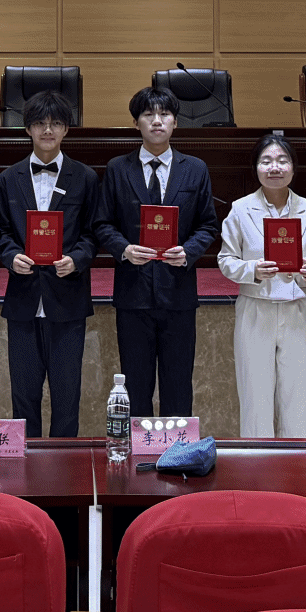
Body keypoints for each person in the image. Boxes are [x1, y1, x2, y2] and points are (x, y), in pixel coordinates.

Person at [94, 86, 220, 417]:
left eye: (164, 114)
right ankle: (138, 447)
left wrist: (188, 251)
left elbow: (208, 225)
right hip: (133, 293)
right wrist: (124, 249)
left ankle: (178, 447)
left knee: (178, 385)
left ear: (175, 122)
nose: (157, 121)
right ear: (136, 122)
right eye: (148, 114)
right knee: (135, 386)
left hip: (178, 292)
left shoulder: (195, 168)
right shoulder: (118, 168)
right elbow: (102, 223)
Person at [0, 91, 97, 438]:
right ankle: (26, 468)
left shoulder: (85, 177)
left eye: (55, 123)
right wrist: (11, 256)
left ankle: (65, 470)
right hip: (23, 300)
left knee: (67, 399)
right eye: (40, 123)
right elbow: (1, 231)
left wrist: (76, 259)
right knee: (23, 399)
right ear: (28, 129)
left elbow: (93, 232)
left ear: (66, 129)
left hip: (68, 299)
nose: (47, 130)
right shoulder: (9, 178)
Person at [218, 132, 306, 438]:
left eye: (282, 160)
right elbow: (226, 259)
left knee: (297, 398)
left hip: (299, 308)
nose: (274, 167)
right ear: (255, 168)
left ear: (293, 167)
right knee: (255, 398)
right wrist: (252, 270)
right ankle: (258, 464)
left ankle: (295, 461)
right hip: (256, 308)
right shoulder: (240, 209)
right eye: (266, 161)